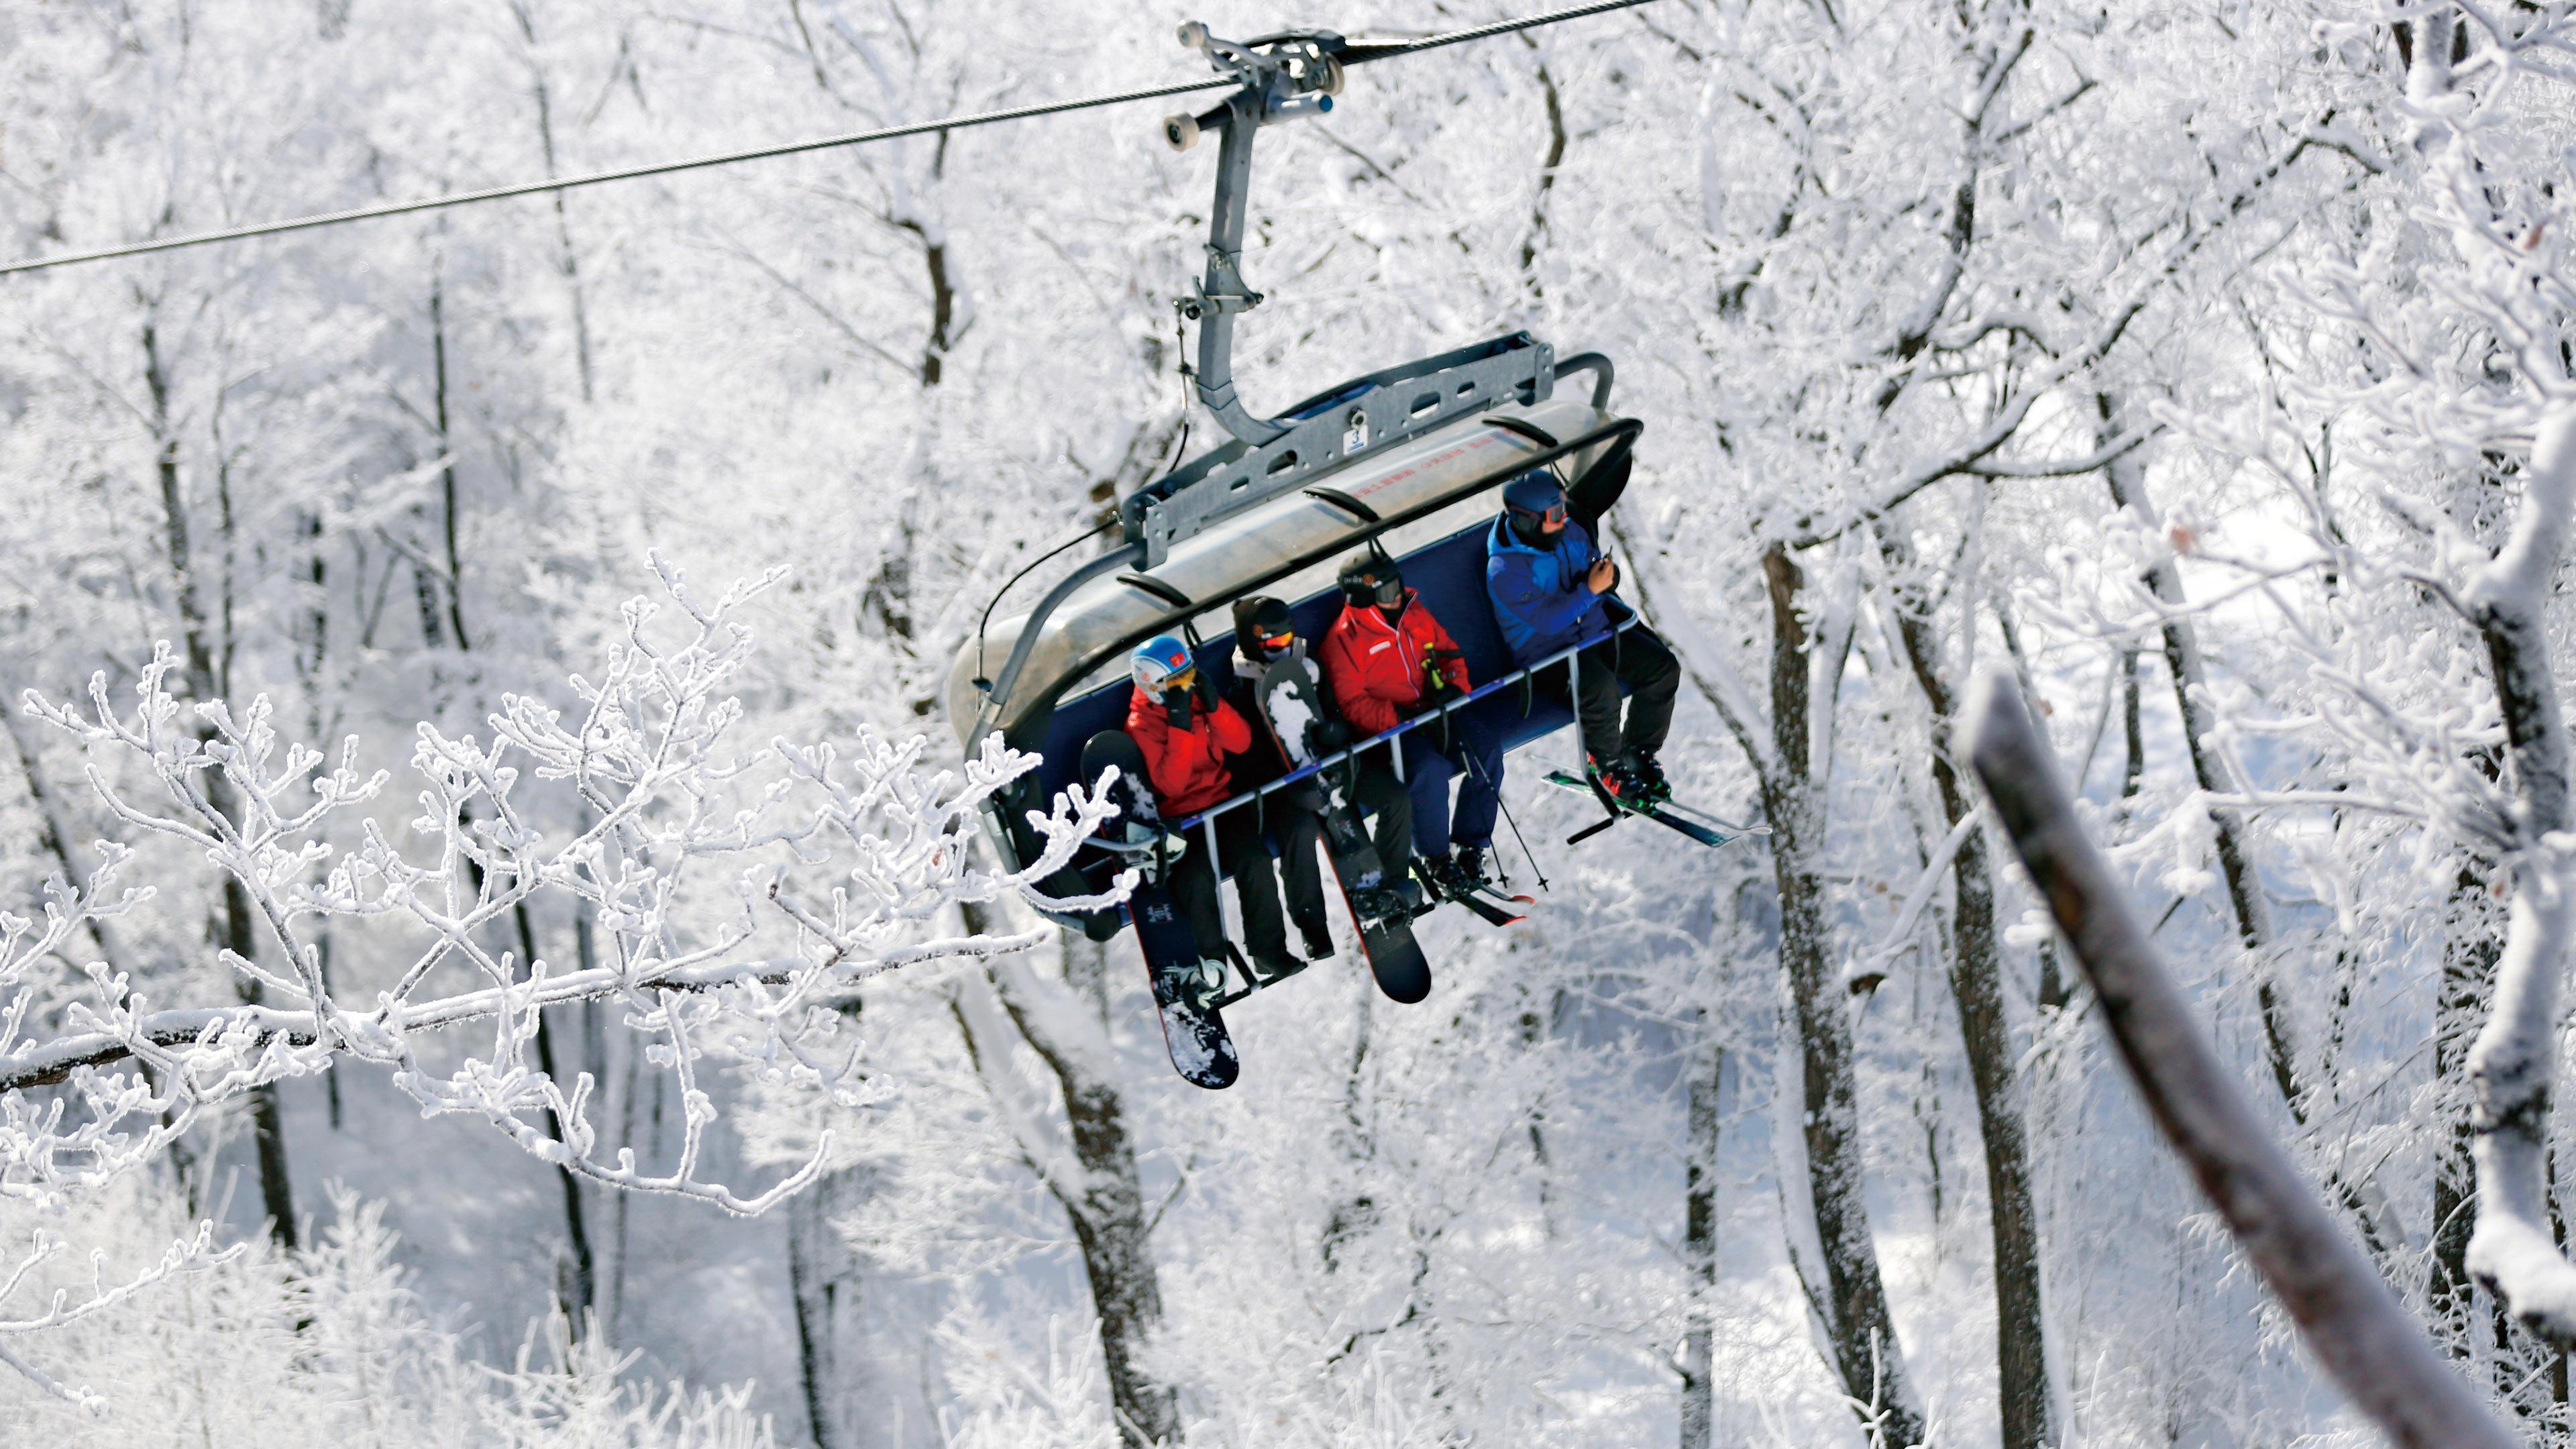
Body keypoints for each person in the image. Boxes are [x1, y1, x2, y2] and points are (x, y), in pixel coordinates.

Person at [1124, 634, 1326, 979]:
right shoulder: (1141, 726)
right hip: (1183, 819)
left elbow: (1241, 742)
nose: (1185, 689)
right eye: (1176, 684)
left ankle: (1268, 950)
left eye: (1189, 677)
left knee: (1256, 861)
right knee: (1197, 879)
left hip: (1221, 803)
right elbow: (1172, 784)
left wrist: (1215, 708)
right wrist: (1180, 728)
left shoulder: (1195, 702)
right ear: (1153, 686)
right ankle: (1212, 965)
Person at [1485, 468, 1681, 803]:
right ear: (1528, 520)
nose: (1564, 519)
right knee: (1600, 689)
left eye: (1564, 509)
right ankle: (1608, 766)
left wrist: (1607, 575)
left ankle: (1640, 751)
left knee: (1662, 668)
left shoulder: (1569, 531)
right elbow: (1546, 621)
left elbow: (1592, 568)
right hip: (1550, 655)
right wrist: (1590, 590)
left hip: (1594, 633)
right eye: (1556, 513)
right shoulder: (1505, 570)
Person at [1319, 549, 1506, 898]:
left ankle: (1470, 845)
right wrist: (1400, 719)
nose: (1399, 595)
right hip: (1397, 730)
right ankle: (1436, 858)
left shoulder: (1413, 613)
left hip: (1437, 710)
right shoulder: (1344, 640)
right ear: (1364, 600)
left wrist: (1453, 688)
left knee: (1487, 751)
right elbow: (1353, 704)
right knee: (1429, 770)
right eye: (1388, 591)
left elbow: (1449, 653)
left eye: (1398, 586)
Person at [1225, 595, 1418, 921]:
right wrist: (1289, 788)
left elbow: (1337, 709)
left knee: (1395, 798)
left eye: (1286, 639)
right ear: (1252, 642)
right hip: (1291, 787)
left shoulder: (1309, 667)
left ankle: (1394, 880)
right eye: (1271, 642)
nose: (1281, 648)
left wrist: (1336, 732)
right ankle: (1311, 922)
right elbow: (1248, 756)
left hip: (1337, 767)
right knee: (1300, 834)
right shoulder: (1242, 693)